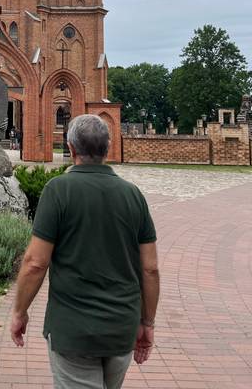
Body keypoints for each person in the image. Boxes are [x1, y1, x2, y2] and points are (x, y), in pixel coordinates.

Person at [11, 114, 159, 389]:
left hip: (72, 329)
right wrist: (147, 322)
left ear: (71, 148)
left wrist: (20, 311)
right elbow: (150, 268)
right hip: (121, 327)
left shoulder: (58, 189)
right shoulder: (133, 195)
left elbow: (34, 263)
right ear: (108, 148)